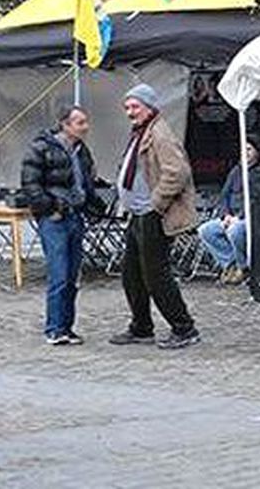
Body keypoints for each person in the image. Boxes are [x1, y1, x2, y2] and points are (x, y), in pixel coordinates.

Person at [108, 84, 201, 350]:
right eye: (127, 107)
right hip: (138, 213)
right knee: (132, 273)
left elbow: (177, 172)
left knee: (156, 274)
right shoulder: (142, 132)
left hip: (151, 214)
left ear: (149, 106)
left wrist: (156, 203)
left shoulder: (159, 133)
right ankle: (141, 327)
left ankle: (184, 328)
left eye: (135, 106)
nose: (129, 112)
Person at [21, 105, 105, 345]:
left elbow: (86, 182)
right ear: (65, 125)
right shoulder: (41, 148)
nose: (85, 127)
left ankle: (66, 327)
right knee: (59, 273)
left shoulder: (81, 151)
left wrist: (93, 204)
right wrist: (51, 208)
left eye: (85, 121)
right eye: (80, 122)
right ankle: (55, 328)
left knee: (72, 275)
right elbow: (30, 184)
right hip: (55, 219)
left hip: (76, 217)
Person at [198, 136, 260, 285]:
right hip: (230, 217)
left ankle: (244, 268)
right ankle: (231, 264)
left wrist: (238, 217)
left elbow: (256, 201)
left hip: (249, 219)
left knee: (234, 230)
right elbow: (224, 195)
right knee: (205, 230)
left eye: (249, 149)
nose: (245, 153)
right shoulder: (236, 171)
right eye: (243, 149)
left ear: (257, 152)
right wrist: (225, 214)